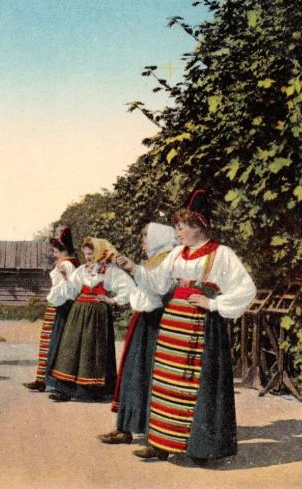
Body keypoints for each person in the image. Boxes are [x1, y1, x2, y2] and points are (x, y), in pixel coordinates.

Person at [116, 189, 256, 463]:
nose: (177, 232)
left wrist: (213, 303)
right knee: (166, 380)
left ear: (198, 226)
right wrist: (133, 268)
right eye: (176, 227)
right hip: (173, 326)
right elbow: (158, 283)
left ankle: (199, 448)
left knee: (197, 385)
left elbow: (246, 288)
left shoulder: (221, 254)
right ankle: (160, 444)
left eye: (181, 227)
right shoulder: (177, 254)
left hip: (202, 327)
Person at [99, 222, 178, 445]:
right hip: (144, 319)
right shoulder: (154, 260)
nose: (143, 244)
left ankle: (142, 428)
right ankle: (126, 427)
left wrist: (133, 269)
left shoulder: (167, 260)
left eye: (145, 239)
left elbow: (157, 288)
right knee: (133, 373)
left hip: (155, 322)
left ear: (156, 239)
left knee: (143, 374)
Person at [49, 238, 135, 402]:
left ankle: (89, 391)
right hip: (78, 311)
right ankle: (65, 389)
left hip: (97, 313)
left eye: (91, 253)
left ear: (100, 253)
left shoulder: (109, 270)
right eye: (86, 254)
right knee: (71, 346)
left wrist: (112, 300)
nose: (88, 257)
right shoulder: (81, 269)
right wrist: (66, 278)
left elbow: (129, 286)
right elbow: (72, 290)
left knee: (92, 349)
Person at [22, 226, 80, 392]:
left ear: (63, 251)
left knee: (55, 342)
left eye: (55, 251)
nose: (54, 255)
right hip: (57, 305)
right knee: (48, 342)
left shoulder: (67, 265)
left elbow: (67, 290)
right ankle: (42, 379)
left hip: (60, 307)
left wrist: (53, 300)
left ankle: (50, 381)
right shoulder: (66, 263)